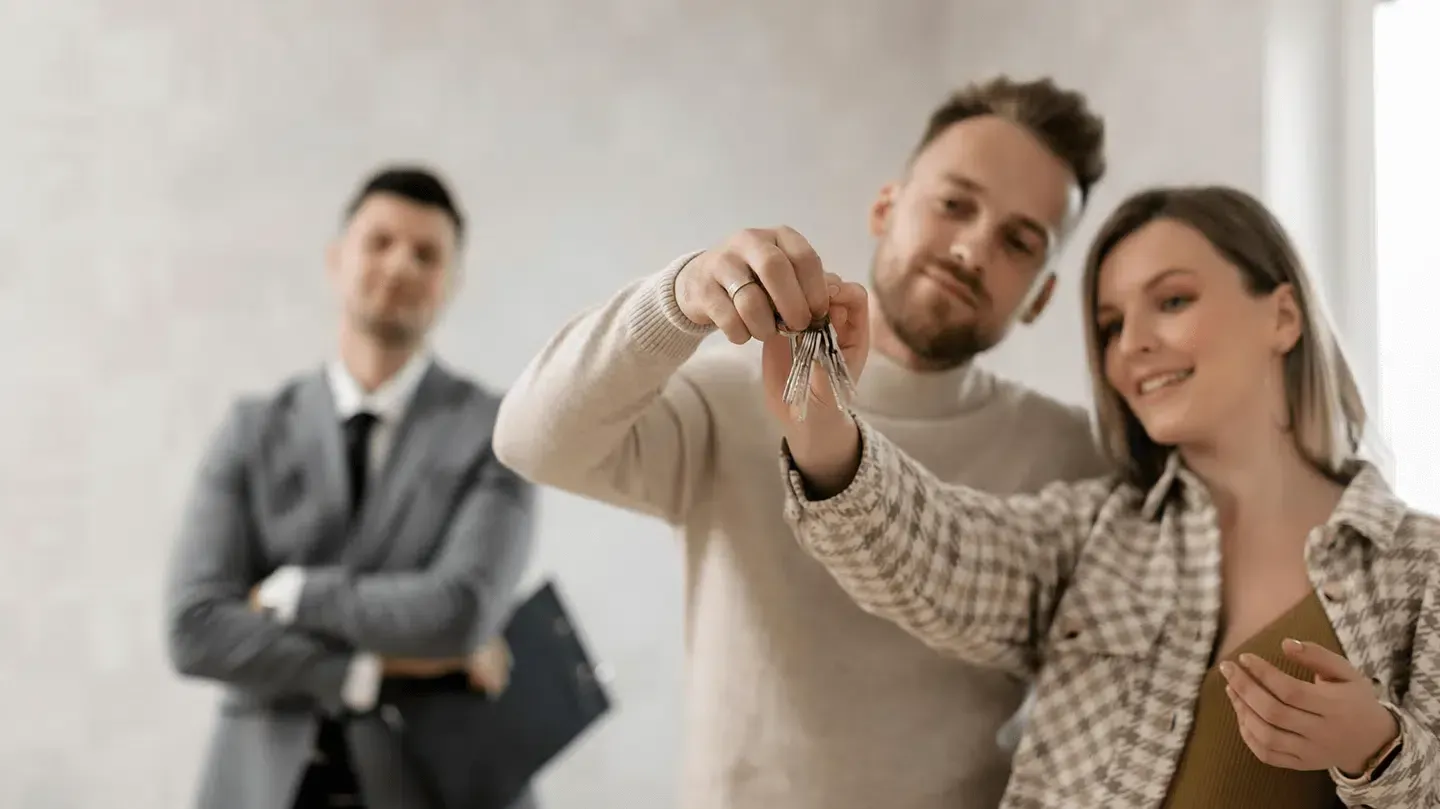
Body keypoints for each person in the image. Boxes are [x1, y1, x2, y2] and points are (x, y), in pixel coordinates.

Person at [493, 77, 1108, 809]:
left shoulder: (1070, 455)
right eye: (954, 204)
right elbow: (531, 441)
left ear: (1040, 294)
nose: (973, 248)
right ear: (887, 207)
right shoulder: (731, 395)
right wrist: (679, 297)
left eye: (1019, 240)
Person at [770, 184, 1438, 808]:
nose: (1134, 345)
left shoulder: (1422, 568)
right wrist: (824, 429)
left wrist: (1378, 749)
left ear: (1284, 316)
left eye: (1172, 301)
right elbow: (938, 551)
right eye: (1112, 324)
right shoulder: (1094, 534)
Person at [164, 167, 537, 809]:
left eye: (426, 254)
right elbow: (195, 626)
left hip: (436, 784)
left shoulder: (500, 431)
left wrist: (295, 593)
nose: (399, 267)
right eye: (380, 242)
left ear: (452, 283)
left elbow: (459, 613)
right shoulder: (252, 429)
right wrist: (366, 668)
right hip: (264, 783)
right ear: (338, 259)